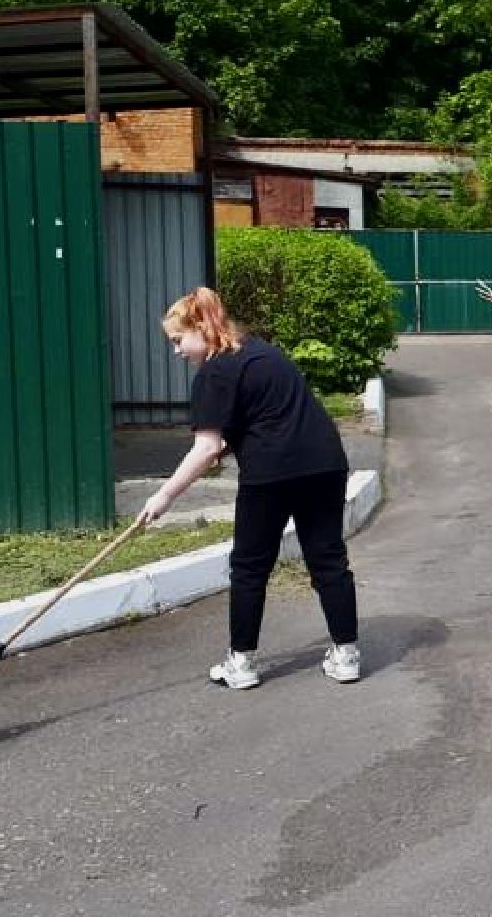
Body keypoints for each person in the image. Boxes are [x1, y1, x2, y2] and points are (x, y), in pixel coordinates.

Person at [143, 287, 361, 689]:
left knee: (249, 568)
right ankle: (347, 655)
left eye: (178, 341)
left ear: (202, 327)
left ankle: (240, 665)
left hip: (271, 473)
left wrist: (164, 496)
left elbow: (206, 448)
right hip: (325, 463)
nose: (176, 352)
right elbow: (260, 418)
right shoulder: (262, 352)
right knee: (328, 560)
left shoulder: (213, 372)